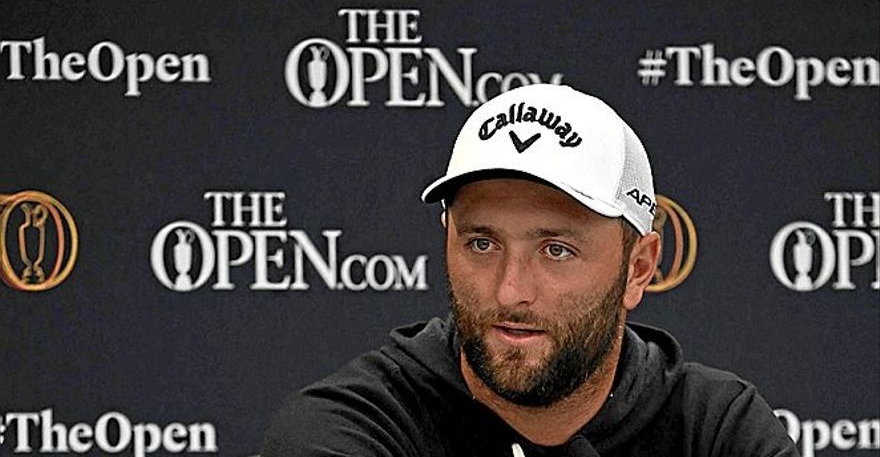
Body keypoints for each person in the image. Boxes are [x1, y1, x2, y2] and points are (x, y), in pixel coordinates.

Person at [262, 84, 799, 457]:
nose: (510, 289)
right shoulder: (353, 428)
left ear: (638, 268)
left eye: (556, 250)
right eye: (481, 243)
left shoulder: (715, 431)